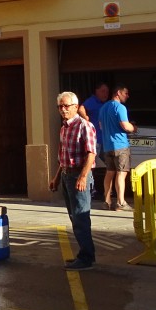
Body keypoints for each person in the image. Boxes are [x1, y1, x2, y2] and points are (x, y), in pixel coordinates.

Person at [50, 91, 97, 270]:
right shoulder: (64, 128)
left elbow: (91, 154)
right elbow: (63, 157)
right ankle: (85, 254)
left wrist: (83, 177)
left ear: (76, 107)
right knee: (74, 217)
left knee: (81, 218)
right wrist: (55, 178)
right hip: (66, 176)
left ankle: (86, 258)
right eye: (60, 107)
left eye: (66, 106)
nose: (63, 110)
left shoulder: (85, 126)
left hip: (79, 176)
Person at [98, 85, 136, 211]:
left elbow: (101, 126)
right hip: (120, 145)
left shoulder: (103, 108)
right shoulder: (120, 107)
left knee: (109, 173)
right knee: (121, 173)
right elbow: (125, 126)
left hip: (107, 146)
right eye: (126, 93)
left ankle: (107, 201)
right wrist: (133, 128)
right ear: (118, 93)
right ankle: (121, 202)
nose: (128, 96)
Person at [78, 82, 110, 199]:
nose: (105, 93)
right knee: (90, 165)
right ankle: (91, 190)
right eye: (103, 91)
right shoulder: (92, 101)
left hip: (104, 140)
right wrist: (86, 118)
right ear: (96, 91)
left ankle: (107, 193)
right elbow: (81, 108)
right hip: (94, 140)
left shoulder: (105, 104)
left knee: (110, 166)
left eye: (107, 91)